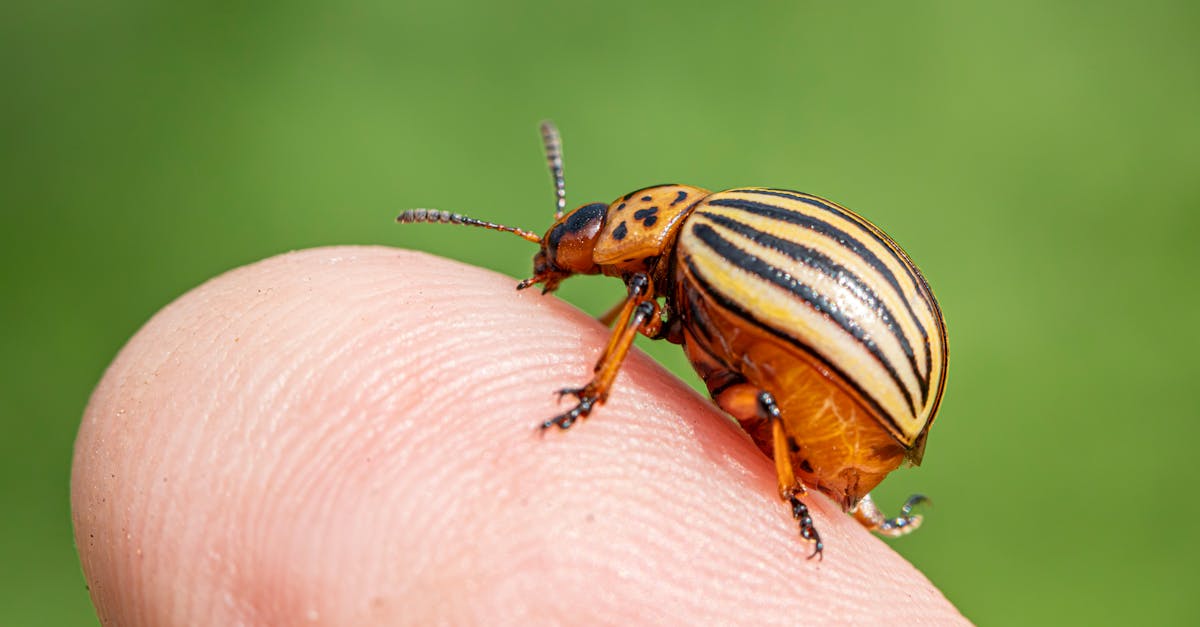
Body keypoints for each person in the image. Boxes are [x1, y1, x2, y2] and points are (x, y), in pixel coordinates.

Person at [72, 247, 965, 625]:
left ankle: (797, 503)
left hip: (860, 388)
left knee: (764, 408)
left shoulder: (681, 271)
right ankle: (837, 497)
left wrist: (591, 392)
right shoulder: (678, 272)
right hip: (880, 381)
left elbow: (737, 369)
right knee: (758, 399)